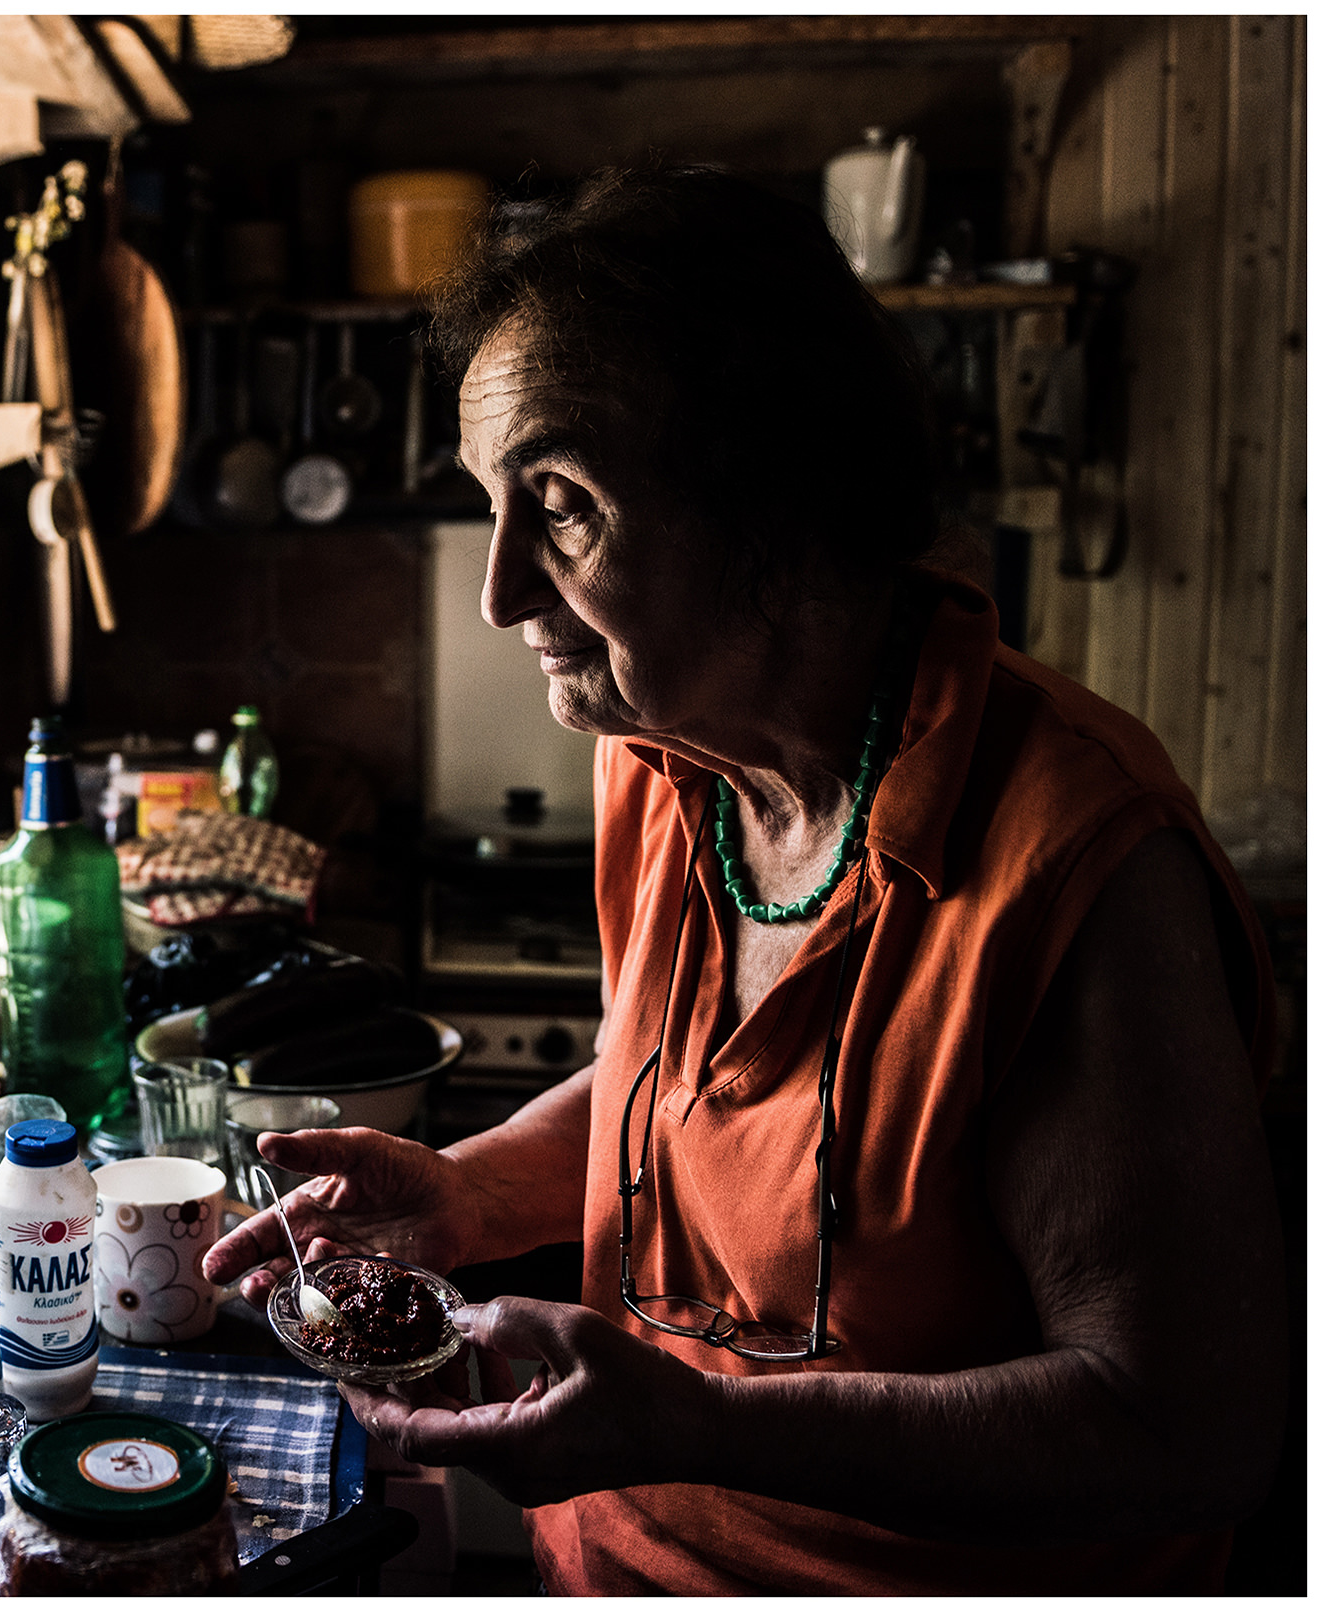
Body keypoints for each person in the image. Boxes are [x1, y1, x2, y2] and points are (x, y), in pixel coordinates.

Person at [205, 166, 1289, 1595]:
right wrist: (472, 1193)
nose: (502, 593)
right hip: (610, 1561)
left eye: (566, 505)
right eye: (492, 506)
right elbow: (689, 1089)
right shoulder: (665, 758)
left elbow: (1178, 1434)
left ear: (779, 492)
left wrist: (705, 1424)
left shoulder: (1075, 866)